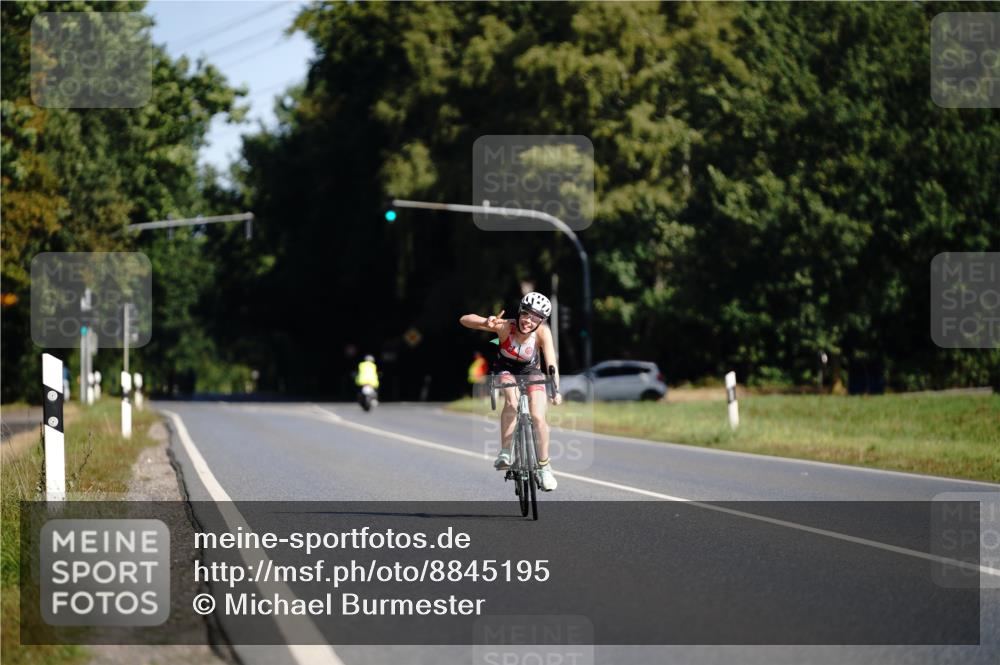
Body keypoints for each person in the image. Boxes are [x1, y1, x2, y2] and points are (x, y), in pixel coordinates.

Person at [459, 292, 562, 491]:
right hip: (505, 370)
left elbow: (551, 364)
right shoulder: (506, 326)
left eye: (536, 318)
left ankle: (544, 467)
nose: (529, 321)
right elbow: (464, 319)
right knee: (512, 403)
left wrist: (555, 390)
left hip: (531, 372)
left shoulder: (543, 333)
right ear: (520, 312)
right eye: (526, 314)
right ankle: (506, 451)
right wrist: (485, 322)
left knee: (538, 416)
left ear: (541, 321)